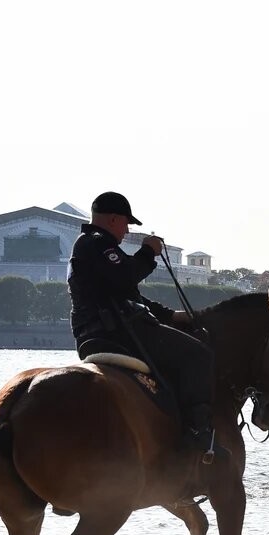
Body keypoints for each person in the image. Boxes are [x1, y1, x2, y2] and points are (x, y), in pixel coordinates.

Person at [68, 191, 219, 463]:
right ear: (113, 218)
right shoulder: (99, 243)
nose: (126, 230)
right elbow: (128, 275)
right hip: (119, 332)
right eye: (126, 223)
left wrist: (170, 316)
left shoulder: (89, 245)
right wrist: (149, 251)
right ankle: (198, 433)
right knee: (199, 355)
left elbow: (128, 295)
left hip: (93, 332)